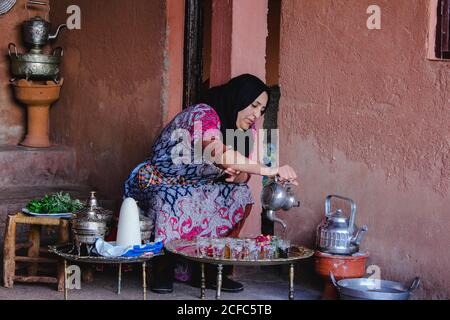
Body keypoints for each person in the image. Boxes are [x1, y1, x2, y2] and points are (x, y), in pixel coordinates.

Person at [124, 74, 298, 293]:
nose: (256, 114)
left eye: (261, 110)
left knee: (240, 193)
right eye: (253, 105)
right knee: (169, 197)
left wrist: (237, 176)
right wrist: (272, 170)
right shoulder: (203, 113)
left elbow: (245, 173)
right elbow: (216, 151)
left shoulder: (246, 132)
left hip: (198, 186)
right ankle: (163, 268)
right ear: (238, 97)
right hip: (159, 180)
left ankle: (212, 268)